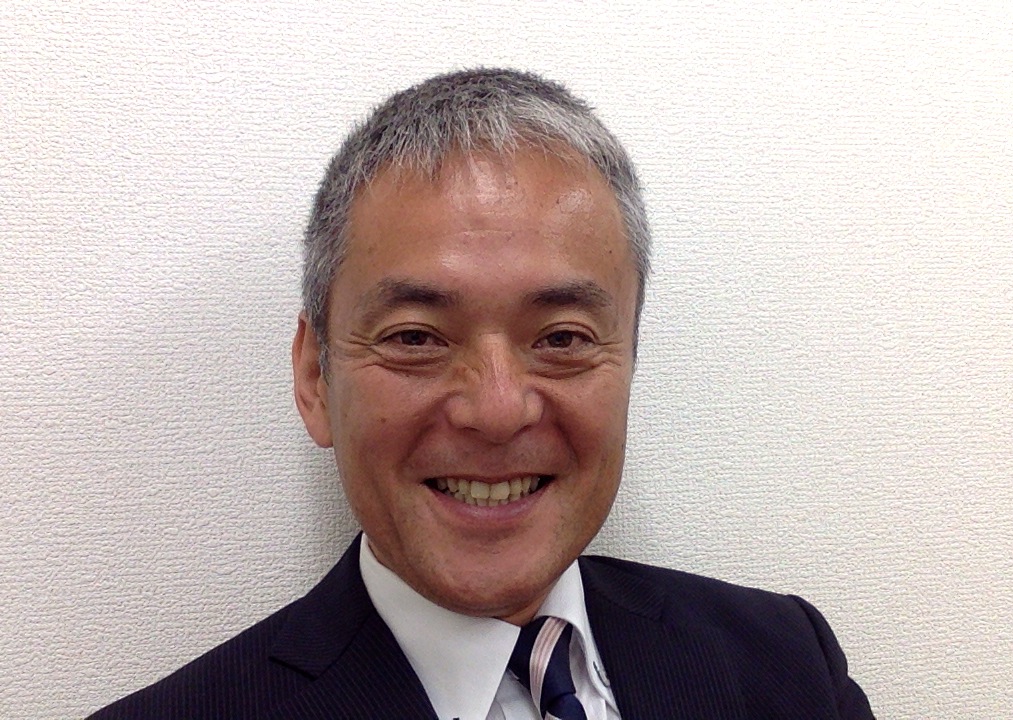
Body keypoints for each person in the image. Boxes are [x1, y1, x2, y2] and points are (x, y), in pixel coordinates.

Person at [91, 68, 874, 719]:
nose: (498, 410)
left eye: (561, 338)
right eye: (415, 338)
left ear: (630, 359)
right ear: (314, 377)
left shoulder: (786, 664)